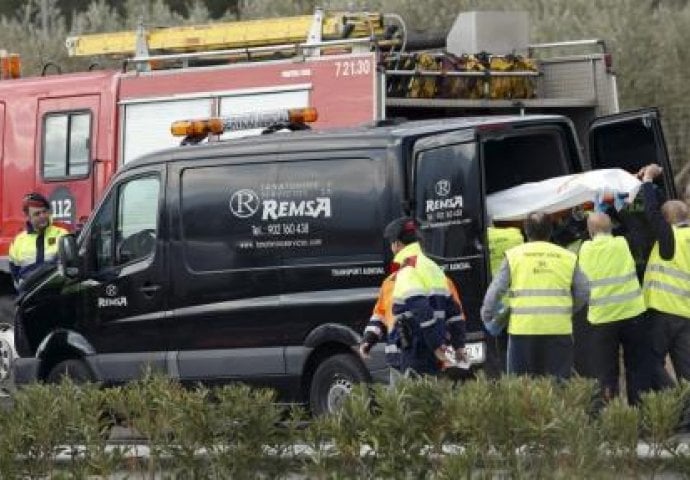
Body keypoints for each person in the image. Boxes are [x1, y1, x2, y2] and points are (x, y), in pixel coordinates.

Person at [481, 212, 589, 379]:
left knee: (522, 389)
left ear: (526, 231)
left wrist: (487, 315)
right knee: (559, 386)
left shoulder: (514, 256)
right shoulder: (568, 257)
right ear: (550, 230)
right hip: (558, 329)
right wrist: (565, 310)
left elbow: (495, 291)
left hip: (523, 331)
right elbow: (583, 291)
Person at [360, 217, 466, 375]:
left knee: (414, 398)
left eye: (391, 243)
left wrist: (437, 345)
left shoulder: (407, 271)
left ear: (396, 244)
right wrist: (369, 339)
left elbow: (421, 309)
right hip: (409, 357)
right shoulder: (434, 270)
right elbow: (454, 313)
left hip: (413, 355)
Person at [577, 212, 651, 404]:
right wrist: (615, 210)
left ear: (590, 231)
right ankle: (640, 413)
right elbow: (633, 229)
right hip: (632, 314)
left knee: (607, 373)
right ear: (612, 228)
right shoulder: (622, 243)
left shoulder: (585, 249)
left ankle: (612, 417)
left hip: (602, 320)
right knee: (637, 368)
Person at [638, 163, 690, 387]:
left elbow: (651, 211)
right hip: (686, 315)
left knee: (649, 362)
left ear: (666, 221)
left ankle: (672, 403)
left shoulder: (669, 238)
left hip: (664, 314)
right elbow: (663, 209)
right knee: (687, 372)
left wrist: (648, 180)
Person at [8, 192, 68, 291]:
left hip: (56, 294)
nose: (42, 216)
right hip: (29, 296)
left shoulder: (61, 234)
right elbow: (15, 273)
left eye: (44, 212)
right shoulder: (18, 242)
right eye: (37, 214)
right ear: (28, 216)